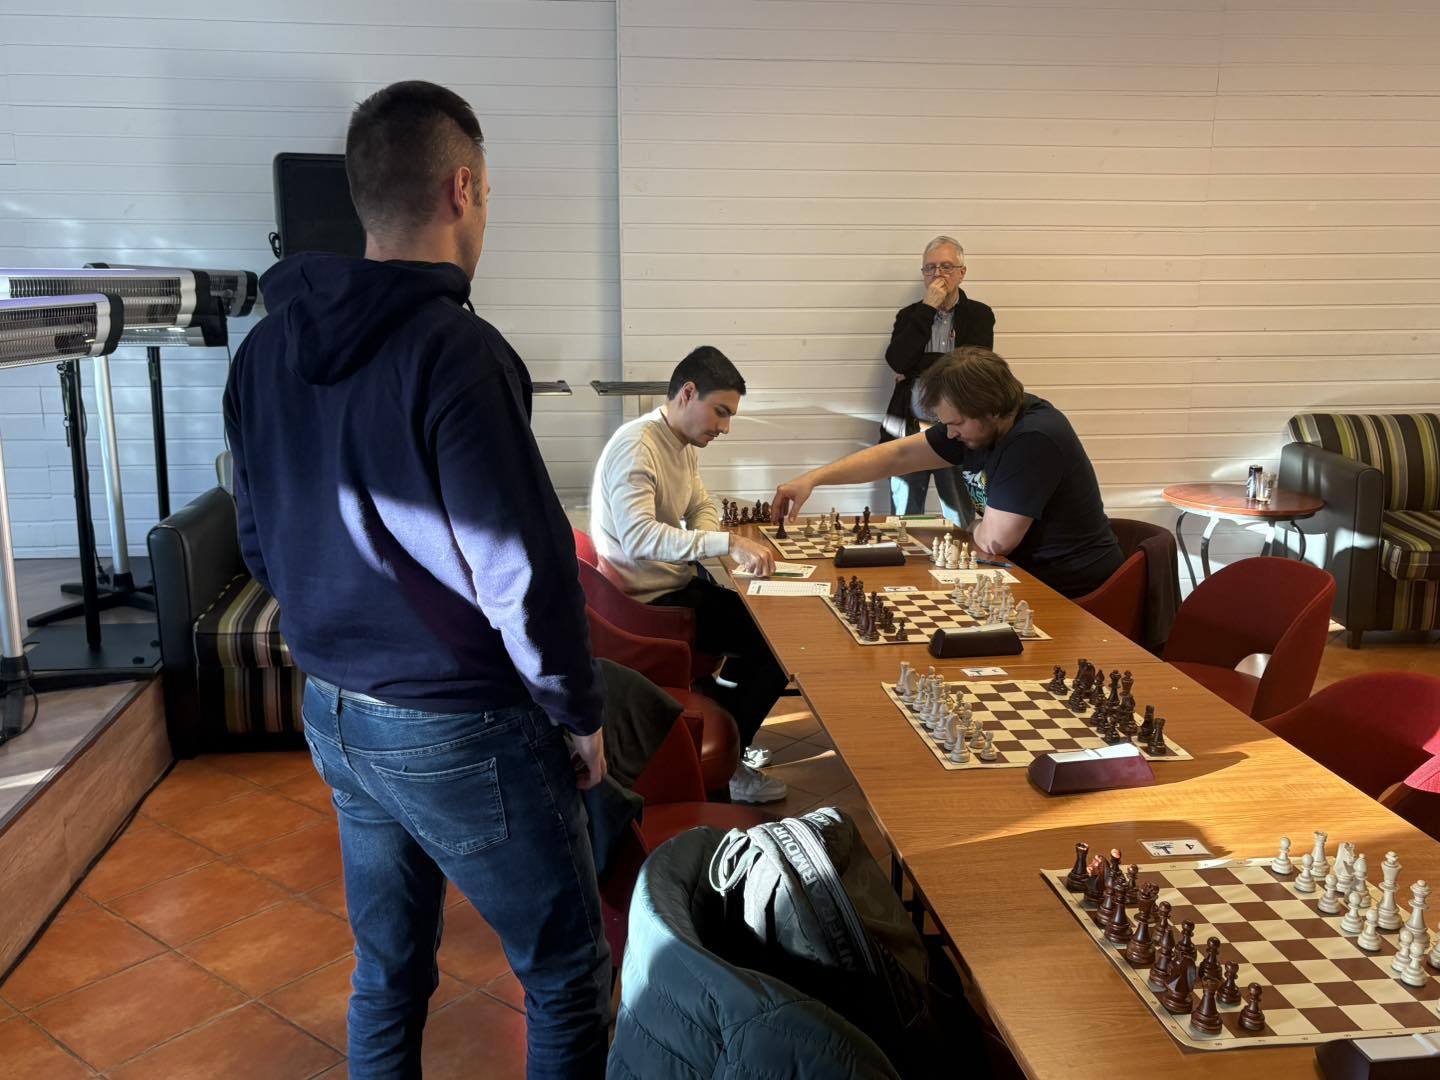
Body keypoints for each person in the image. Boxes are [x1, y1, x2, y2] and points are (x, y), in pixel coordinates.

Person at [224, 81, 610, 1079]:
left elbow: (257, 537)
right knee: (566, 975)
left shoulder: (263, 351)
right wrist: (576, 710)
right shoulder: (457, 351)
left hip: (332, 711)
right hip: (456, 724)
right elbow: (521, 567)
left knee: (388, 969)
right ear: (463, 188)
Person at [589, 346, 790, 804]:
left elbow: (702, 504)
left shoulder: (679, 442)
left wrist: (711, 540)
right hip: (646, 605)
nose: (725, 427)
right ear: (687, 393)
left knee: (765, 625)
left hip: (672, 585)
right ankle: (729, 762)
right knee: (776, 643)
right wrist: (726, 544)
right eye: (721, 412)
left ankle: (727, 729)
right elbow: (639, 538)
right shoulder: (637, 447)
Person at [775, 347, 1123, 599]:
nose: (950, 433)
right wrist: (813, 479)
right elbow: (897, 455)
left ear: (990, 410)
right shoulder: (977, 424)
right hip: (1022, 575)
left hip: (1073, 592)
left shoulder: (1033, 439)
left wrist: (973, 527)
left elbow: (996, 541)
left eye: (955, 423)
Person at [881, 235, 995, 525]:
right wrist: (928, 309)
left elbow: (974, 369)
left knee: (960, 515)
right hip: (909, 427)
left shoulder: (980, 314)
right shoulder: (909, 316)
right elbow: (897, 361)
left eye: (946, 266)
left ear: (962, 272)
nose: (937, 274)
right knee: (904, 516)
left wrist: (918, 368)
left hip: (960, 428)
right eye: (930, 268)